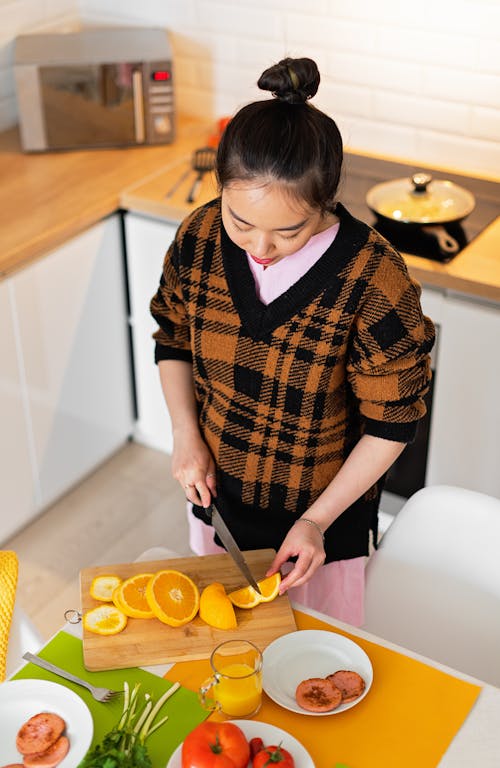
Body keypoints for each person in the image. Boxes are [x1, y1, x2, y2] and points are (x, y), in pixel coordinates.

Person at [150, 57, 435, 625]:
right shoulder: (200, 237)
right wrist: (185, 434)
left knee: (314, 668)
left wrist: (317, 522)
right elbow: (174, 339)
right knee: (224, 648)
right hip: (220, 505)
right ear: (222, 190)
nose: (260, 246)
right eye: (241, 221)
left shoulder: (373, 278)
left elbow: (392, 423)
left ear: (325, 201)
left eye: (289, 231)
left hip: (321, 523)